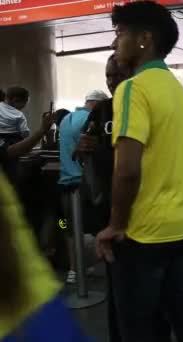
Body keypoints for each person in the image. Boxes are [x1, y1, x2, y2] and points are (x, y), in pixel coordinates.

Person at [94, 2, 183, 341]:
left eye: (120, 34)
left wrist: (115, 224)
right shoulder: (177, 91)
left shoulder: (133, 88)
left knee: (138, 330)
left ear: (144, 39)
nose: (115, 44)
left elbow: (126, 169)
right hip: (179, 230)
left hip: (141, 235)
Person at [75, 54, 134, 342]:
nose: (112, 81)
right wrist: (83, 147)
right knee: (117, 288)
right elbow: (82, 149)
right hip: (108, 211)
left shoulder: (140, 106)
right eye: (108, 76)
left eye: (118, 74)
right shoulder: (102, 111)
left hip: (142, 211)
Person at [0, 171, 90, 341]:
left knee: (64, 227)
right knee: (63, 226)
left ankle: (70, 264)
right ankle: (69, 263)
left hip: (32, 302)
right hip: (34, 304)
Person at [58, 90, 108, 284]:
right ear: (97, 104)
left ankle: (74, 269)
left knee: (68, 227)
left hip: (65, 183)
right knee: (100, 225)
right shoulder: (92, 120)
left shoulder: (65, 119)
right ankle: (104, 263)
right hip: (87, 184)